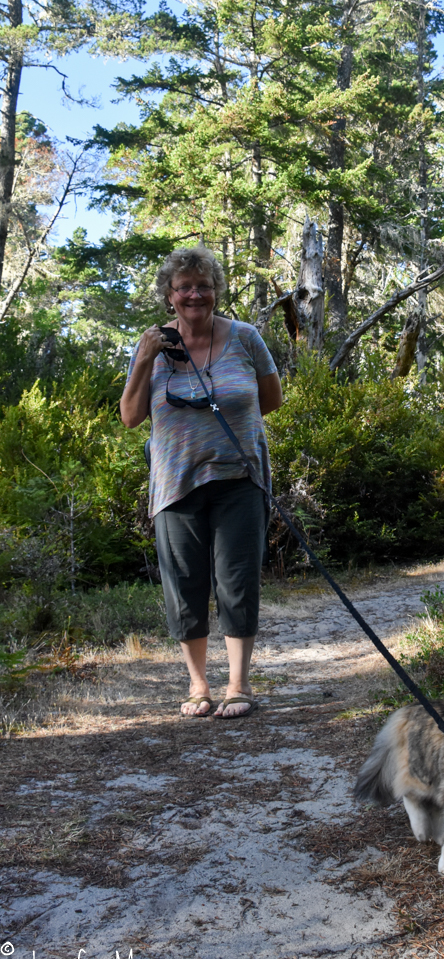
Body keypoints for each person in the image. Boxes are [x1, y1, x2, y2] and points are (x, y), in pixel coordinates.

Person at [120, 246, 283, 718]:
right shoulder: (150, 345)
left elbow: (271, 399)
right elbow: (130, 416)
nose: (195, 295)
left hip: (239, 477)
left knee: (237, 580)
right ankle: (197, 685)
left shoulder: (245, 337)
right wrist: (145, 359)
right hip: (175, 484)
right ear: (169, 295)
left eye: (204, 286)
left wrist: (225, 426)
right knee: (184, 583)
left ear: (216, 291)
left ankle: (238, 685)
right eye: (184, 287)